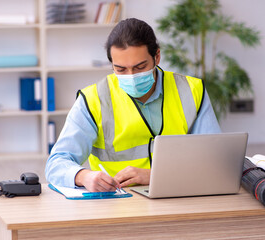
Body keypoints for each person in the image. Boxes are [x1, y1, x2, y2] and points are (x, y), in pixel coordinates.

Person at [45, 18, 221, 192]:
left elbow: (215, 160)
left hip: (182, 197)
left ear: (157, 57)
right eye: (120, 69)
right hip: (117, 205)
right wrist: (83, 176)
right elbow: (56, 164)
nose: (131, 76)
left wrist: (155, 175)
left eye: (140, 67)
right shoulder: (93, 99)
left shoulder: (191, 90)